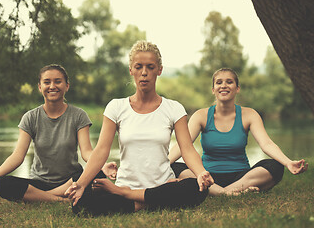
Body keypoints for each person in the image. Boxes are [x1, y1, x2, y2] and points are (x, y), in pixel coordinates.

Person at [64, 41, 214, 216]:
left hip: (159, 185)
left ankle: (131, 198)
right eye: (138, 67)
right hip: (126, 183)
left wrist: (201, 172)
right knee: (80, 202)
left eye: (150, 67)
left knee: (196, 186)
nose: (144, 73)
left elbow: (187, 149)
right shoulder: (116, 107)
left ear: (159, 70)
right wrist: (81, 185)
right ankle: (152, 202)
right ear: (131, 70)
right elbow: (101, 150)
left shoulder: (174, 108)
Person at [0, 64, 117, 202]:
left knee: (97, 175)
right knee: (2, 183)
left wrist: (101, 165)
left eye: (58, 81)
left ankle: (39, 197)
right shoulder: (30, 117)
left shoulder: (79, 115)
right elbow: (18, 155)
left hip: (71, 180)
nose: (52, 86)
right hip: (39, 182)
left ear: (67, 86)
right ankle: (59, 199)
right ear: (40, 87)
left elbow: (86, 152)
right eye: (47, 82)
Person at [168, 67, 308, 196]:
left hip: (242, 176)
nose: (224, 85)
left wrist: (288, 162)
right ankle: (232, 193)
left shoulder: (250, 114)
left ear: (237, 88)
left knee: (275, 166)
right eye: (219, 82)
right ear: (213, 89)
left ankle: (216, 193)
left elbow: (266, 144)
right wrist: (163, 164)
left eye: (229, 82)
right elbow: (183, 146)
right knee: (175, 167)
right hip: (208, 176)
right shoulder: (201, 116)